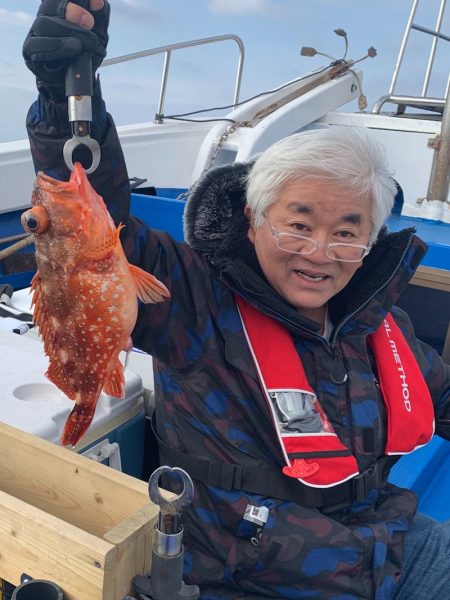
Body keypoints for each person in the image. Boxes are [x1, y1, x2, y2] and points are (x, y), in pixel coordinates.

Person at [22, 2, 450, 599]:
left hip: (400, 550)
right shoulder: (196, 303)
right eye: (297, 224)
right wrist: (62, 87)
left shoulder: (381, 323)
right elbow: (95, 217)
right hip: (255, 576)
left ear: (370, 240)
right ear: (251, 223)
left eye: (347, 232)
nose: (320, 252)